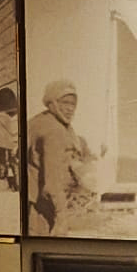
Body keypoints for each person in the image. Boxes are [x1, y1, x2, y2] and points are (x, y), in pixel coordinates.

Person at [26, 78, 97, 236]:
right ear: (52, 102)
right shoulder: (53, 130)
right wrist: (61, 217)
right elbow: (52, 182)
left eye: (73, 104)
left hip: (37, 198)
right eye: (65, 102)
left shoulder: (43, 120)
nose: (70, 109)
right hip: (43, 204)